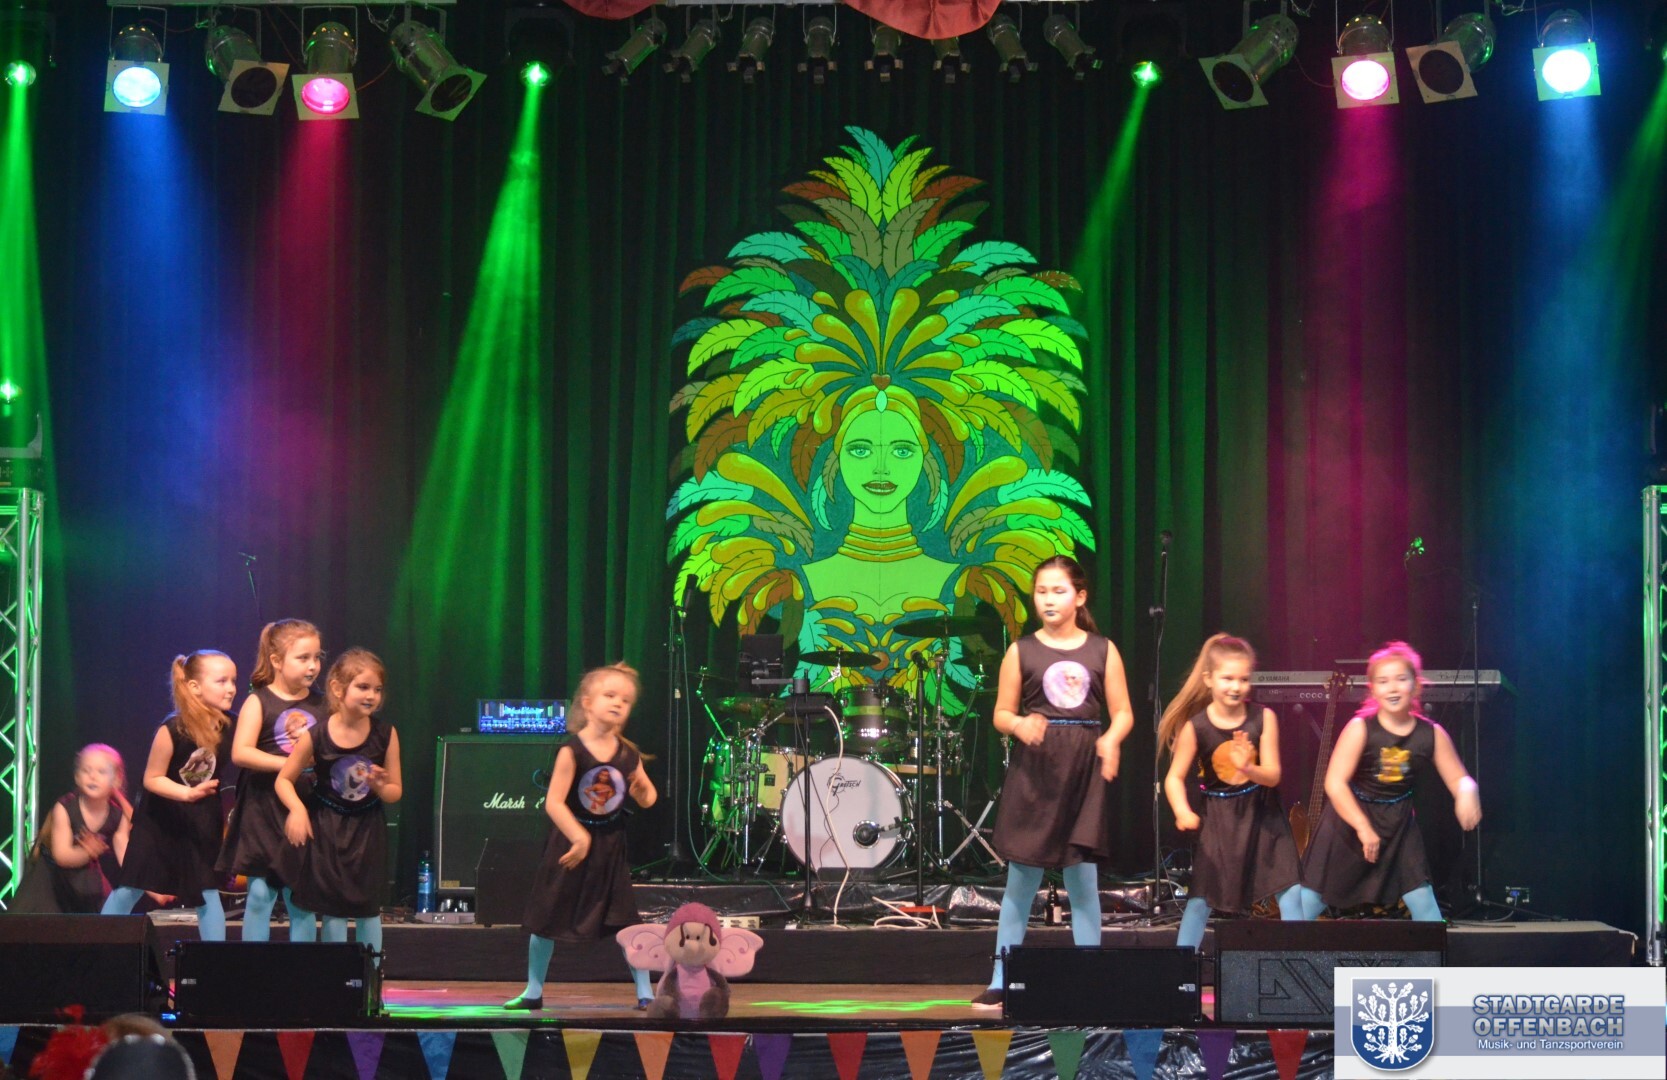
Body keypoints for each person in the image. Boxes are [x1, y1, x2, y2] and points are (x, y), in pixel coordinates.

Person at [972, 554, 1134, 1007]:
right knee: (1021, 882)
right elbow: (1001, 713)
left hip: (1083, 773)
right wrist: (1019, 724)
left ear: (1079, 597)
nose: (1048, 599)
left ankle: (1090, 976)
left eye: (1058, 591)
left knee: (1082, 881)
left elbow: (1122, 712)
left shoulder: (1103, 650)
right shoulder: (1021, 650)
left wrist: (1111, 740)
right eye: (1041, 591)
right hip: (1037, 776)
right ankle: (1002, 977)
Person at [505, 662, 659, 1011]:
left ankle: (645, 992)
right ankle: (533, 990)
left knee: (626, 922)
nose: (618, 703)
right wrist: (578, 837)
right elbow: (554, 802)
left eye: (625, 700)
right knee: (546, 917)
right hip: (570, 844)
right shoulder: (572, 750)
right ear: (587, 703)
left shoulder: (628, 754)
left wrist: (642, 790)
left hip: (609, 846)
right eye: (610, 695)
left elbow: (648, 798)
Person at [1296, 641, 1481, 921]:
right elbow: (1334, 783)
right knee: (1308, 903)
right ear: (1373, 689)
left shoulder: (1431, 734)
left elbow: (1459, 779)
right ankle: (1277, 948)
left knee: (1423, 901)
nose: (1392, 688)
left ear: (1416, 685)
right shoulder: (1360, 728)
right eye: (1383, 681)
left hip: (1398, 823)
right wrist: (1362, 826)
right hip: (1349, 821)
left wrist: (1467, 792)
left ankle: (1433, 950)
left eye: (1401, 679)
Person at [1160, 634, 1303, 950]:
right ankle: (1181, 967)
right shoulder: (1196, 727)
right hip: (1220, 821)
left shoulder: (1264, 718)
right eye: (1227, 679)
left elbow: (1273, 775)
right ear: (1209, 679)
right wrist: (1182, 811)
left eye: (1243, 679)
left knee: (1290, 891)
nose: (1236, 687)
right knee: (1201, 901)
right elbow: (1174, 778)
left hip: (1263, 815)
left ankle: (1302, 963)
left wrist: (1249, 768)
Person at [101, 652, 237, 941]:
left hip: (200, 819)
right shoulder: (174, 728)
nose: (231, 688)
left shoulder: (232, 725)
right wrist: (187, 793)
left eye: (233, 681)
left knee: (207, 890)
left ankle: (216, 959)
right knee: (131, 887)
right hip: (160, 821)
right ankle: (99, 944)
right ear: (194, 687)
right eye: (222, 681)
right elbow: (152, 778)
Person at [276, 648, 400, 961]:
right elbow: (284, 780)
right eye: (363, 687)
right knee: (333, 908)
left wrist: (380, 785)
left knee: (368, 908)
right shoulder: (316, 735)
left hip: (367, 830)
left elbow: (395, 792)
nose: (372, 695)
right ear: (337, 688)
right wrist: (298, 810)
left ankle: (371, 977)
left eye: (377, 689)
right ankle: (339, 975)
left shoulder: (385, 734)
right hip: (328, 829)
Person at [218, 619, 328, 942]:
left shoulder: (323, 704)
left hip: (304, 808)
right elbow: (241, 753)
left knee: (301, 900)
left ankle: (299, 968)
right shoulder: (259, 701)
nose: (312, 666)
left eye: (317, 657)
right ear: (277, 661)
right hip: (263, 810)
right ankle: (255, 967)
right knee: (259, 896)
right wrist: (290, 765)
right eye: (303, 658)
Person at [9, 745, 131, 913]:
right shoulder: (64, 808)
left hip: (82, 877)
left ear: (116, 779)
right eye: (86, 771)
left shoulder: (118, 815)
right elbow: (62, 856)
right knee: (46, 922)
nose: (92, 776)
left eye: (101, 772)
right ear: (77, 777)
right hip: (51, 878)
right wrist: (87, 852)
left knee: (103, 915)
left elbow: (126, 853)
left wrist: (149, 886)